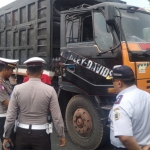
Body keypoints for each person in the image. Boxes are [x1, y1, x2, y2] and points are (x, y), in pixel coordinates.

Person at [3, 57, 66, 150]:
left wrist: (6, 136)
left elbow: (11, 115)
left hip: (21, 133)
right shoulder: (50, 90)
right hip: (41, 134)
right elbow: (56, 116)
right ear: (42, 72)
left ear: (27, 73)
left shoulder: (17, 89)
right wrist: (61, 135)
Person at [108, 65, 150, 150]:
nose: (112, 83)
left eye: (113, 80)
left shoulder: (121, 104)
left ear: (119, 83)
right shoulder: (146, 95)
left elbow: (125, 138)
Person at [0, 57, 18, 150]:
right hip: (4, 118)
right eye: (11, 70)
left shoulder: (5, 81)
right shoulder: (0, 83)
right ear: (5, 69)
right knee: (8, 145)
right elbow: (9, 104)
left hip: (8, 116)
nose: (12, 72)